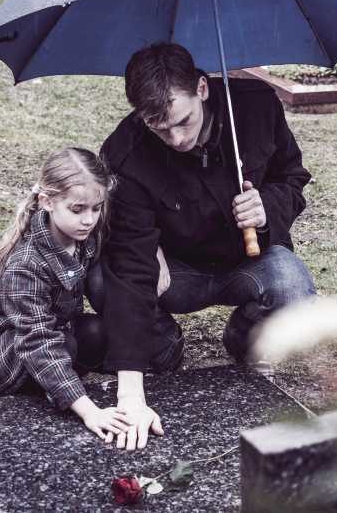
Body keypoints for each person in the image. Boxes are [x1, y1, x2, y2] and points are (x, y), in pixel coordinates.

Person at [92, 41, 316, 451]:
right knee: (104, 282)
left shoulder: (257, 107)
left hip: (249, 260)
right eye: (159, 128)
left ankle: (245, 340)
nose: (175, 139)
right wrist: (130, 397)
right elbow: (131, 267)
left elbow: (293, 177)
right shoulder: (126, 152)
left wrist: (267, 207)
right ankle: (163, 349)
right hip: (175, 271)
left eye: (183, 122)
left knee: (293, 290)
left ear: (202, 89)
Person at [0, 147, 131, 443]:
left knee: (97, 333)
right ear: (47, 202)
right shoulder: (25, 265)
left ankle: (57, 381)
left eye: (96, 208)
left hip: (54, 329)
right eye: (77, 210)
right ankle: (48, 391)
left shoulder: (84, 233)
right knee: (63, 345)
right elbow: (37, 340)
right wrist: (89, 411)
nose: (89, 220)